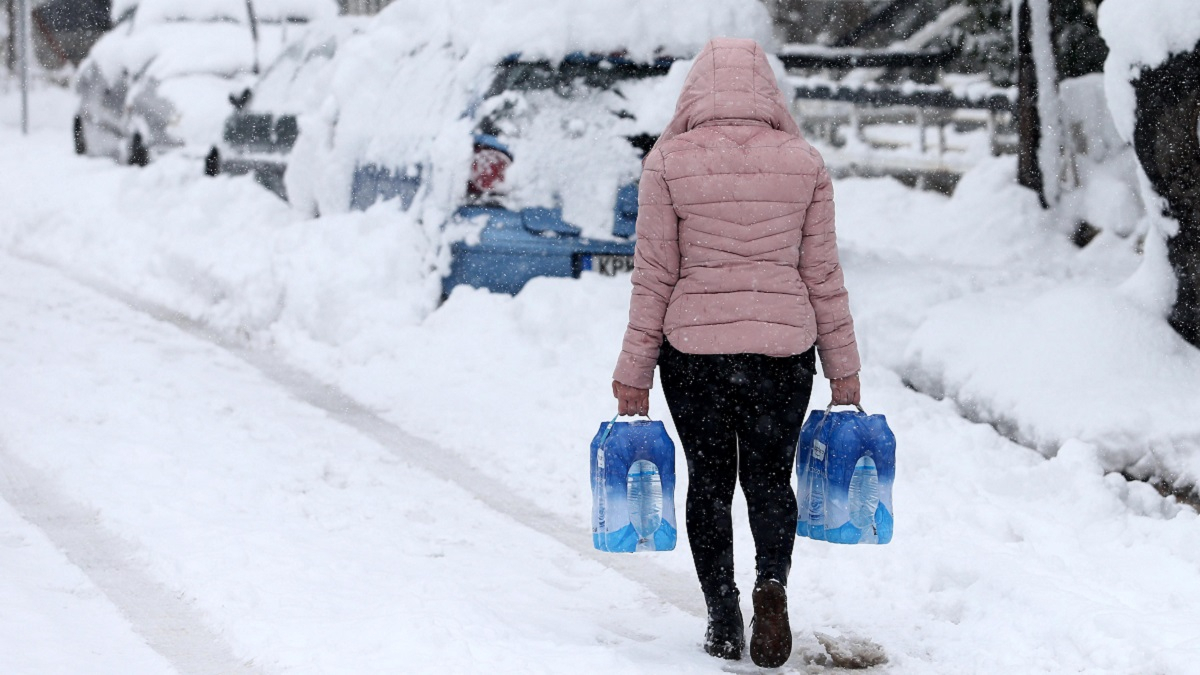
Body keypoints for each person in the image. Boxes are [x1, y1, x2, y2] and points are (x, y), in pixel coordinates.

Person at [611, 37, 861, 668]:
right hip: (783, 353)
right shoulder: (804, 164)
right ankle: (770, 584)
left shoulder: (667, 165)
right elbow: (823, 275)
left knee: (711, 481)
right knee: (771, 479)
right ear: (766, 92)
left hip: (695, 351)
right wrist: (845, 370)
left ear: (695, 93)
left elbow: (654, 277)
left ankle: (723, 613)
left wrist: (633, 372)